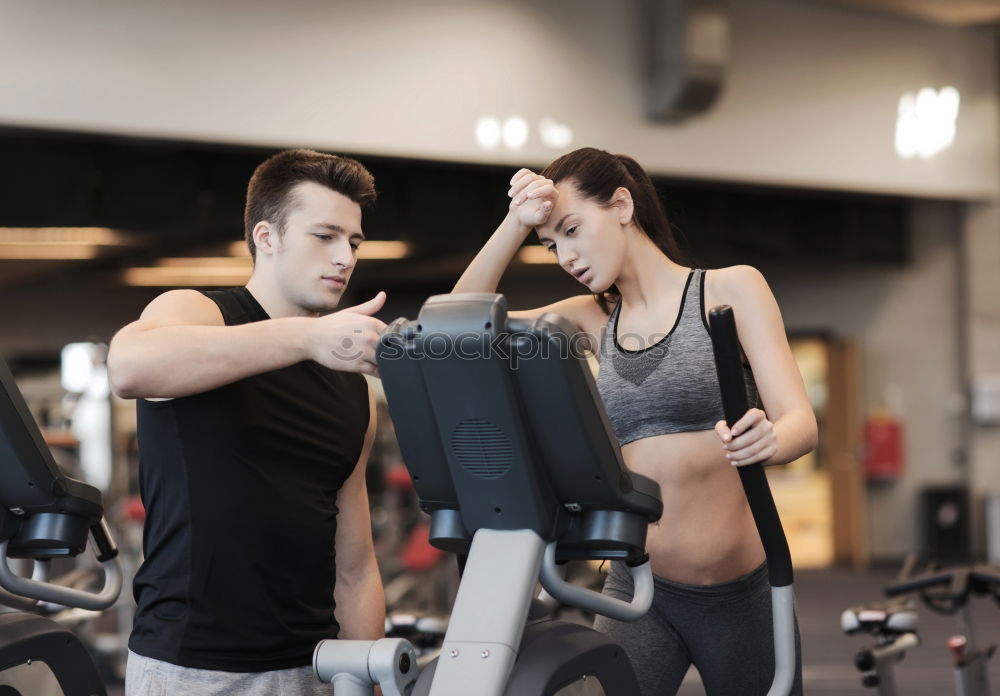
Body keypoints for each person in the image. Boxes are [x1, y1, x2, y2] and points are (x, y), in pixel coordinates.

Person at [453, 147, 817, 696]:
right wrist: (513, 222)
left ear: (622, 204)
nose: (565, 256)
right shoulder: (588, 318)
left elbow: (800, 424)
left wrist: (771, 439)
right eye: (551, 244)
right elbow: (459, 327)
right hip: (638, 589)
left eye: (572, 229)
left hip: (740, 592)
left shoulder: (729, 288)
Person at [108, 149, 387, 696]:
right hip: (194, 671)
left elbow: (355, 569)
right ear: (267, 236)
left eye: (353, 242)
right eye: (324, 235)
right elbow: (128, 367)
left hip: (316, 669)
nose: (344, 256)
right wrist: (309, 337)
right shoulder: (197, 313)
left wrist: (367, 678)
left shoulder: (352, 386)